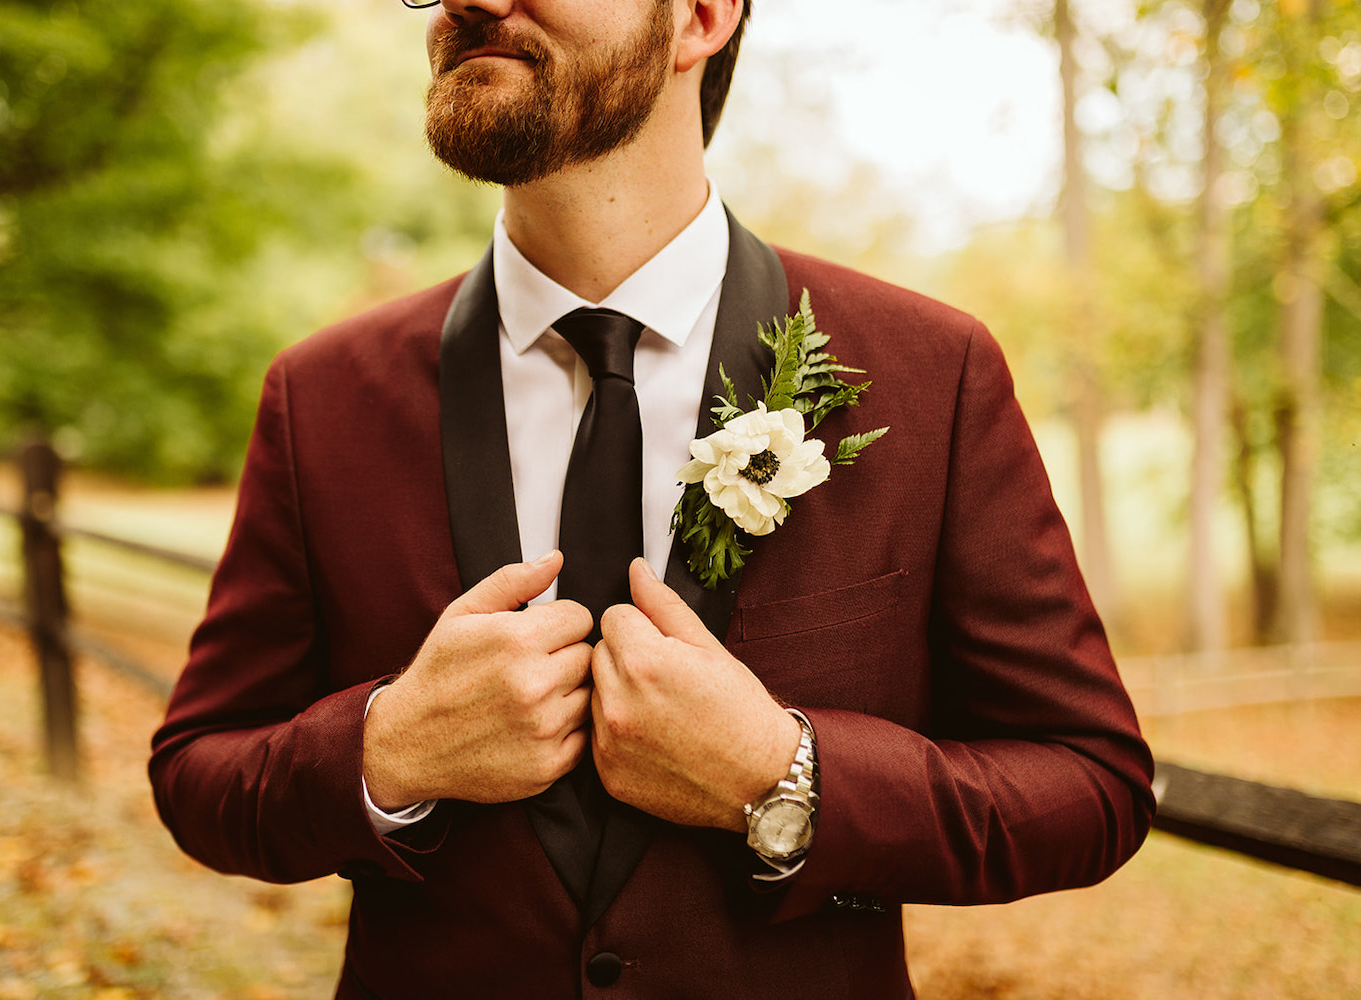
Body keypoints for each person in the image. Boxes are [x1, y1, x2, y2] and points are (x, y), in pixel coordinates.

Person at [149, 0, 1156, 996]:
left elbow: (1093, 784)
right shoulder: (318, 397)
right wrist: (385, 750)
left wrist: (787, 776)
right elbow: (198, 772)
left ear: (702, 17)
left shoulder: (932, 373)